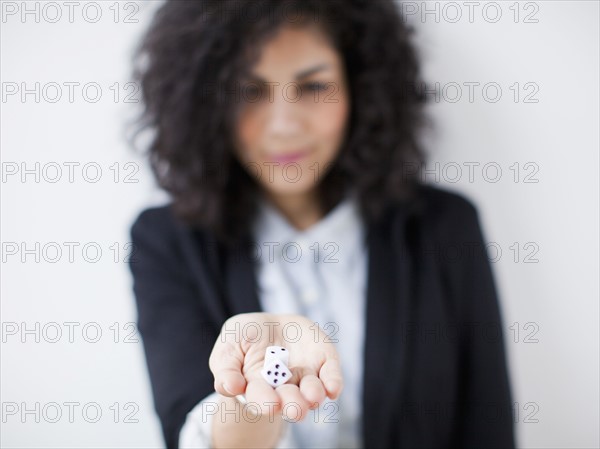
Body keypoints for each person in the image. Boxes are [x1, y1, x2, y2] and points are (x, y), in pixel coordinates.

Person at [128, 1, 515, 448]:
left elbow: (488, 427)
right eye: (248, 91)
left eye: (313, 86)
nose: (285, 126)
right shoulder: (166, 241)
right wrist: (251, 397)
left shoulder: (445, 227)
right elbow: (190, 433)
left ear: (362, 87)